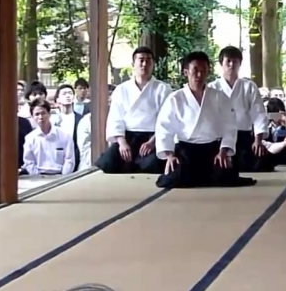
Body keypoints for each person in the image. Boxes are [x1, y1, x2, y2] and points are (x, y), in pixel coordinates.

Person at [154, 51, 256, 189]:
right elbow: (164, 128)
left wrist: (223, 151)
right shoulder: (175, 98)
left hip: (213, 150)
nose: (199, 75)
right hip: (186, 150)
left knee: (224, 175)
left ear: (208, 71)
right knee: (174, 177)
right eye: (195, 70)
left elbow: (229, 126)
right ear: (186, 72)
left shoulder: (219, 97)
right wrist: (170, 155)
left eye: (203, 70)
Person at [96, 47, 171, 174]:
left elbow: (166, 120)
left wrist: (153, 142)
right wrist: (122, 143)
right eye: (141, 60)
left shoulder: (163, 88)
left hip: (152, 137)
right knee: (108, 163)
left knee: (154, 164)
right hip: (128, 137)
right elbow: (116, 118)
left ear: (153, 64)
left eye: (148, 60)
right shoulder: (121, 89)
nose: (144, 64)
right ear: (133, 64)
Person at [208, 46, 275, 172]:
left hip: (243, 136)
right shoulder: (212, 87)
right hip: (219, 138)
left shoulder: (248, 86)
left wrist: (258, 140)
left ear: (240, 64)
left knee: (261, 163)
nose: (231, 65)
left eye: (235, 61)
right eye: (228, 61)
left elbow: (258, 113)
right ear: (221, 63)